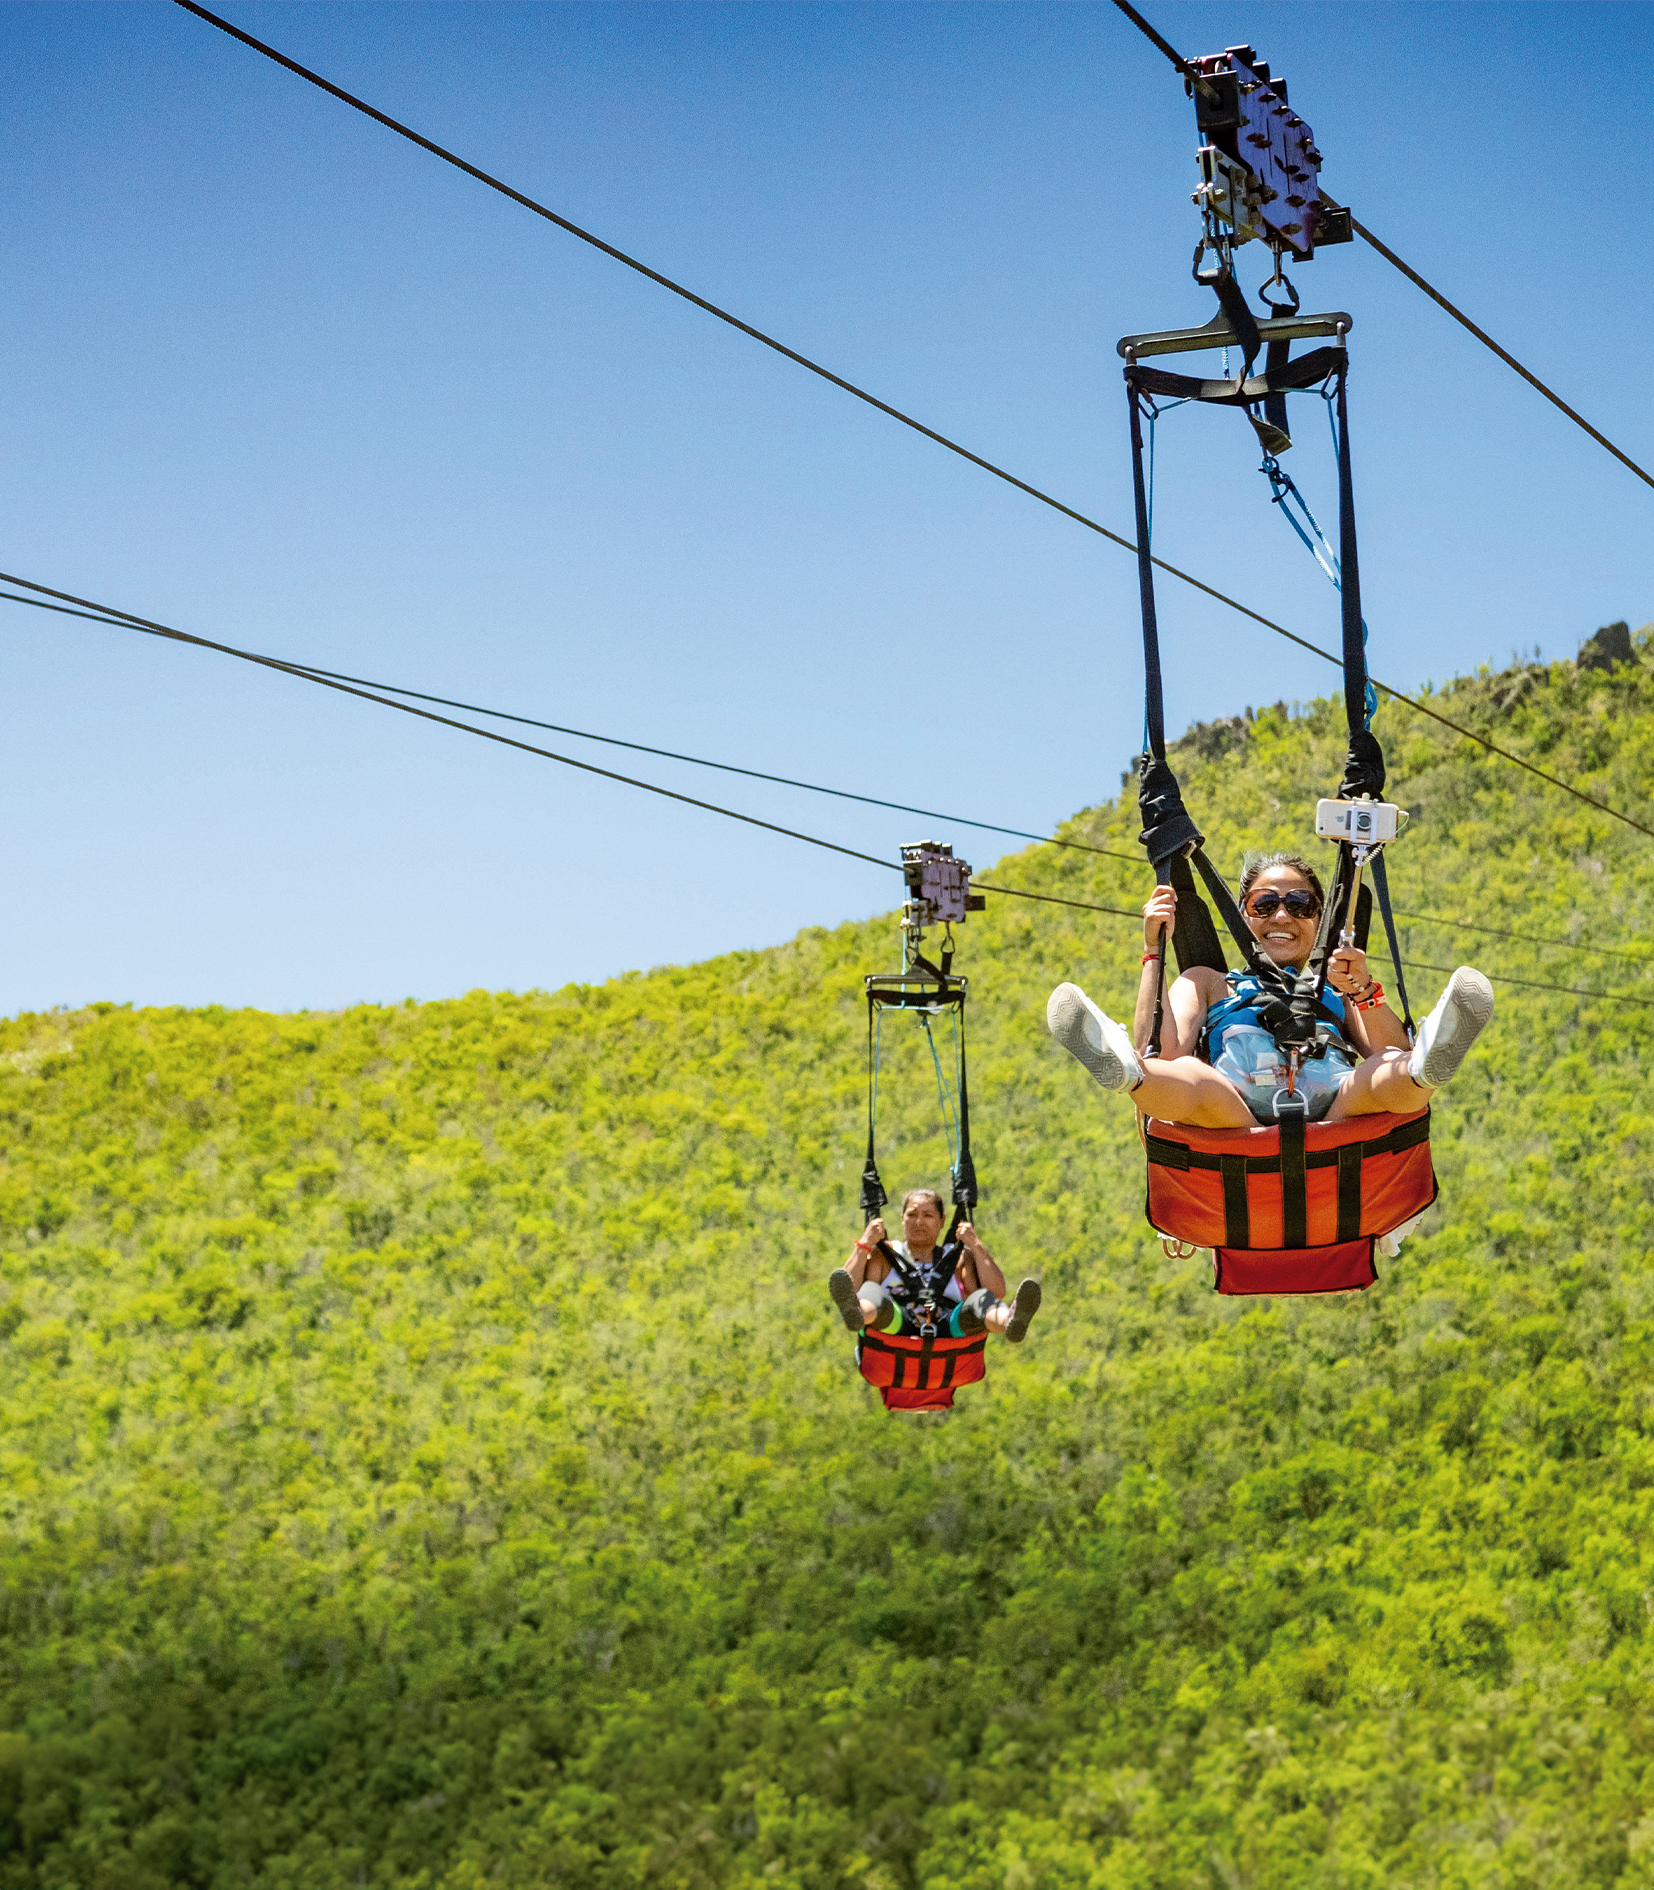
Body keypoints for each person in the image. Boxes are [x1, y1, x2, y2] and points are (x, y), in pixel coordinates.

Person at [1045, 850, 1494, 1127]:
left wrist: (1363, 988)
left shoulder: (1336, 987)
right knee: (1195, 1080)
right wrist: (1153, 952)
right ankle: (1126, 1073)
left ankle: (1428, 1070)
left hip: (1334, 1109)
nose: (1282, 917)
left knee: (1388, 1069)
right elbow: (1162, 1049)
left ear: (1319, 920)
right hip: (1234, 1114)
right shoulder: (1208, 982)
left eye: (1300, 905)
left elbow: (1388, 1049)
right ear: (1244, 914)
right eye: (1266, 904)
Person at [828, 1187, 1041, 1342]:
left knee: (980, 1299)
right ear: (902, 1219)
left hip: (950, 1328)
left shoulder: (958, 1258)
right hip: (897, 1325)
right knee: (871, 1291)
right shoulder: (884, 1255)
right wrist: (865, 1243)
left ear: (941, 1221)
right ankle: (857, 1313)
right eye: (912, 1215)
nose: (919, 1222)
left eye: (928, 1215)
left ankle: (1010, 1321)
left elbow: (997, 1291)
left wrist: (975, 1245)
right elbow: (849, 1287)